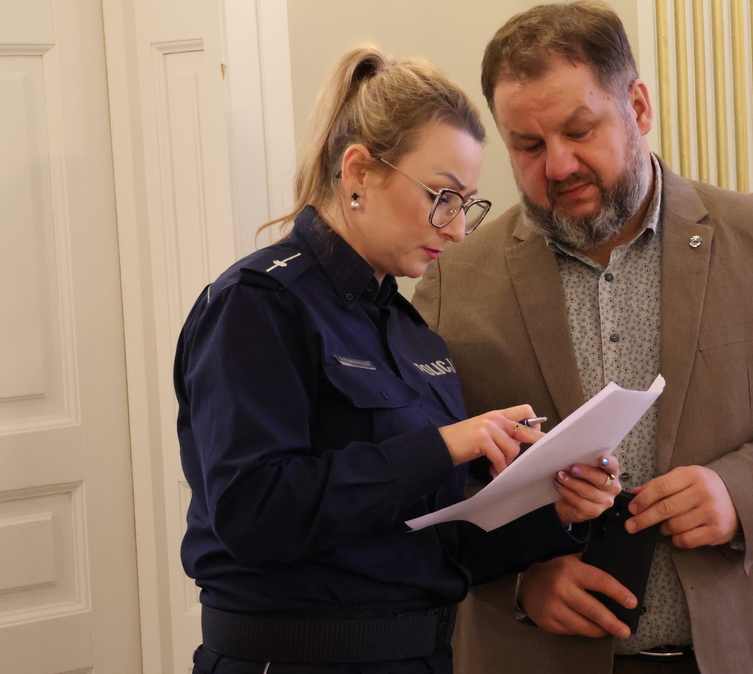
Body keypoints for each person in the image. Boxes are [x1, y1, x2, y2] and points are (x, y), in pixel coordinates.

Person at [413, 3, 753, 673]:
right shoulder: (453, 282)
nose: (557, 165)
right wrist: (517, 582)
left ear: (639, 107)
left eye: (579, 130)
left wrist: (742, 491)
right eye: (527, 145)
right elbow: (424, 483)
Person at [174, 45, 622, 674]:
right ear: (359, 171)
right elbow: (254, 514)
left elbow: (436, 547)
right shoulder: (258, 304)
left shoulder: (412, 333)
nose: (457, 228)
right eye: (443, 196)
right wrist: (442, 446)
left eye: (466, 203)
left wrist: (557, 510)